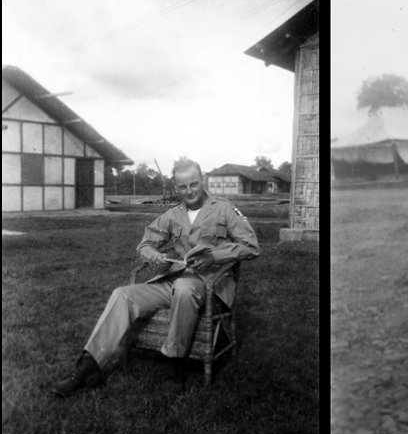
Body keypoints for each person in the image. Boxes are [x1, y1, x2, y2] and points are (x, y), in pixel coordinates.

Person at [51, 158, 259, 396]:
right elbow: (145, 243)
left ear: (203, 181)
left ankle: (175, 367)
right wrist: (154, 256)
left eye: (194, 184)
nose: (189, 191)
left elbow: (251, 246)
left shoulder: (223, 208)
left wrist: (215, 257)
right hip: (176, 282)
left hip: (211, 284)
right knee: (122, 295)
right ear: (175, 188)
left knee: (183, 287)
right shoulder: (173, 215)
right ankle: (88, 368)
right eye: (183, 187)